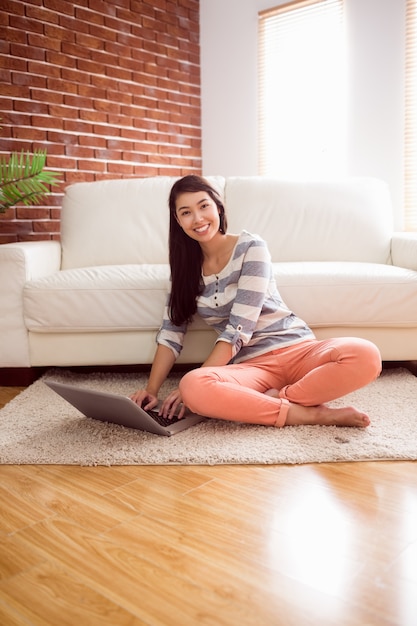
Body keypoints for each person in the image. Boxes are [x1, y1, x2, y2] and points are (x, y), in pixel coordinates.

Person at [131, 175, 382, 428]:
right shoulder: (184, 271)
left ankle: (279, 401)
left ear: (218, 206)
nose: (197, 218)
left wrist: (200, 375)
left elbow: (238, 329)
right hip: (252, 368)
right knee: (193, 386)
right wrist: (152, 389)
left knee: (365, 354)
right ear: (177, 220)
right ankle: (311, 414)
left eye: (203, 206)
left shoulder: (251, 246)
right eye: (186, 212)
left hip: (298, 351)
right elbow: (172, 332)